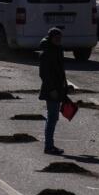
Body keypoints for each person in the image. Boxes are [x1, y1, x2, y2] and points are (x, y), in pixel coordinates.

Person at [38, 28, 69, 156]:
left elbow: (60, 73)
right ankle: (49, 146)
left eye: (60, 38)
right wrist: (52, 90)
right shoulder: (46, 53)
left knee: (53, 117)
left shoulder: (57, 50)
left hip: (58, 89)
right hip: (52, 91)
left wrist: (65, 87)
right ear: (50, 38)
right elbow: (44, 74)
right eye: (56, 38)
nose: (58, 40)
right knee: (52, 118)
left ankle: (49, 145)